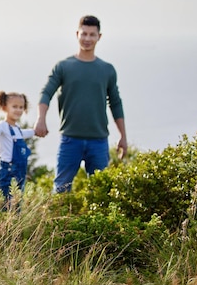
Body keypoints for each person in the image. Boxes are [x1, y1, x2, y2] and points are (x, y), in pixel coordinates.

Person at [34, 15, 127, 193]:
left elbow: (115, 103)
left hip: (99, 141)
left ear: (99, 37)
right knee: (61, 190)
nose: (87, 39)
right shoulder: (63, 66)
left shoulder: (107, 70)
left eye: (92, 35)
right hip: (70, 139)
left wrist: (123, 136)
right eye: (84, 34)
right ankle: (60, 221)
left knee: (101, 192)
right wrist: (41, 119)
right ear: (77, 34)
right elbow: (46, 93)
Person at [0, 91, 35, 210]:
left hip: (20, 172)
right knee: (5, 205)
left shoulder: (17, 128)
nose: (18, 110)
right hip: (7, 171)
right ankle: (3, 227)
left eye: (21, 107)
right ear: (5, 107)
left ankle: (14, 227)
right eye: (14, 106)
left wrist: (35, 132)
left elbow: (24, 134)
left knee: (16, 205)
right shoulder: (2, 126)